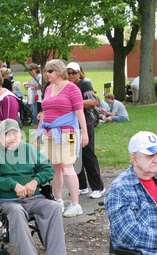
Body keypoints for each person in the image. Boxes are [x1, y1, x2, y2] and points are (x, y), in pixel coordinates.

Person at [0, 118, 72, 255]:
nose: (12, 138)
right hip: (8, 201)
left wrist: (34, 182)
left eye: (15, 134)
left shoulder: (29, 150)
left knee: (54, 207)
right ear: (0, 136)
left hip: (34, 198)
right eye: (7, 135)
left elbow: (47, 169)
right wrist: (12, 184)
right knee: (16, 211)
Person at [36, 59, 88, 217]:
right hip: (49, 133)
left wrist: (84, 132)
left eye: (49, 71)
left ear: (59, 71)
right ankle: (58, 200)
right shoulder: (48, 89)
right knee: (54, 167)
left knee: (67, 166)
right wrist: (38, 133)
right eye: (46, 71)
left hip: (66, 133)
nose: (47, 74)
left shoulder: (72, 88)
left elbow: (79, 112)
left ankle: (75, 203)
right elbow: (45, 113)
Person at [66, 62, 105, 199]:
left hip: (85, 123)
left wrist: (75, 103)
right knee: (75, 156)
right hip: (70, 124)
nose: (71, 75)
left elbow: (93, 101)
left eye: (73, 73)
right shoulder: (65, 85)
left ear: (79, 72)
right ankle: (81, 186)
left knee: (88, 155)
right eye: (68, 73)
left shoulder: (85, 85)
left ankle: (98, 187)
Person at [24, 63, 43, 129]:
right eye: (30, 70)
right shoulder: (34, 78)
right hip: (35, 98)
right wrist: (29, 86)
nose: (31, 71)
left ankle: (38, 129)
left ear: (36, 69)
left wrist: (33, 87)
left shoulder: (39, 76)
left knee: (37, 114)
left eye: (32, 69)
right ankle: (36, 130)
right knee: (35, 115)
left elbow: (40, 86)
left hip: (39, 98)